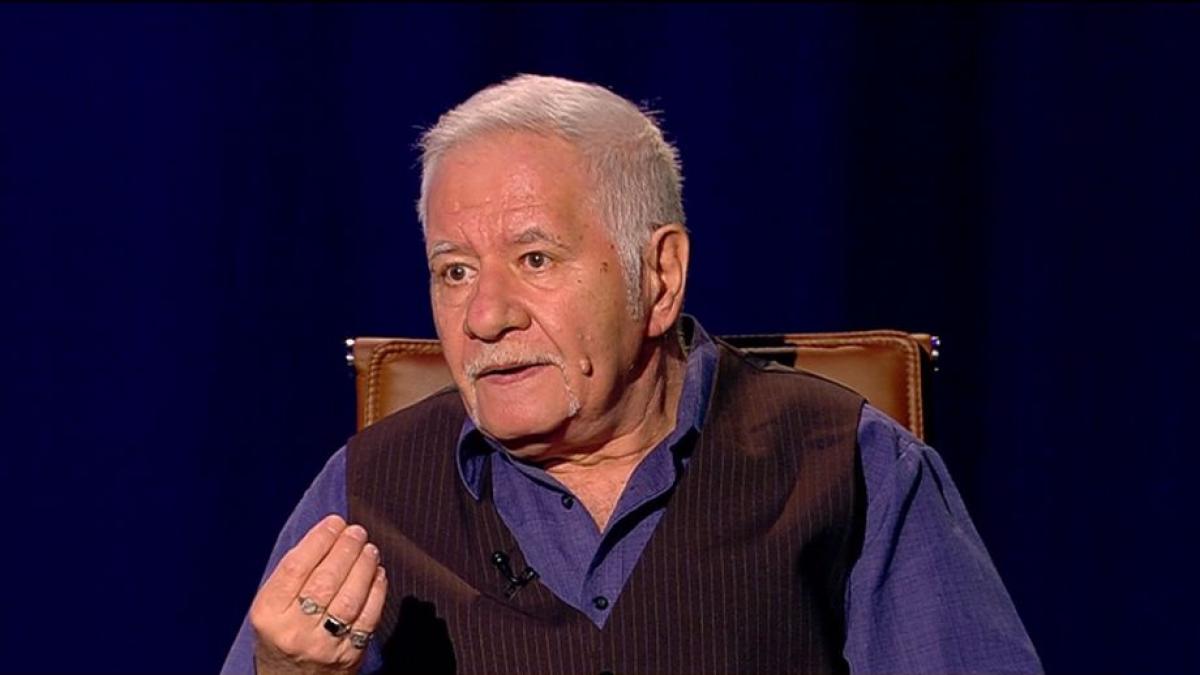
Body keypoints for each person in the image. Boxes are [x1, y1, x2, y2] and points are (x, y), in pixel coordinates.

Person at [223, 74, 1041, 674]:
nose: (485, 316)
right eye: (455, 271)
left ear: (659, 276)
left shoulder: (851, 466)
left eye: (535, 259)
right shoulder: (364, 494)